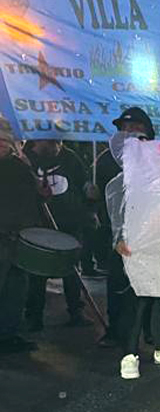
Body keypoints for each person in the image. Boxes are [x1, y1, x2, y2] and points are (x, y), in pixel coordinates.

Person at [104, 128, 160, 379]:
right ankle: (129, 355)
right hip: (135, 249)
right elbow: (116, 217)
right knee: (138, 301)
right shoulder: (118, 183)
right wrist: (120, 239)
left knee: (158, 298)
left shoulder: (158, 180)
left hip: (159, 245)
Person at [93, 108, 155, 346]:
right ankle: (116, 330)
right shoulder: (106, 158)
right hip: (116, 235)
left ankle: (151, 329)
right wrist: (91, 194)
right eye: (124, 128)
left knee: (152, 284)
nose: (129, 132)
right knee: (117, 283)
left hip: (150, 232)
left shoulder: (156, 155)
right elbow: (96, 193)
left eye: (135, 127)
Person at [23, 139, 88, 329]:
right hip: (38, 225)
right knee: (37, 272)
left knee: (71, 271)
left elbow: (82, 183)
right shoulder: (25, 160)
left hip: (69, 223)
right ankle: (33, 316)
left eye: (58, 142)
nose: (55, 146)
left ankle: (76, 311)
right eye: (50, 142)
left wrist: (89, 201)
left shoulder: (70, 158)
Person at [0, 129, 43, 354]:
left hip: (20, 238)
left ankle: (8, 334)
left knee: (15, 289)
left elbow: (36, 196)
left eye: (3, 141)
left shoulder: (20, 167)